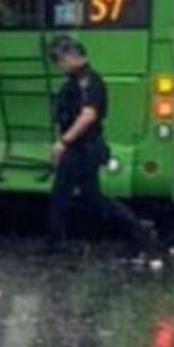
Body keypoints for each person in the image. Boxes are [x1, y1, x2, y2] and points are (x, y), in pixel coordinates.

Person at [46, 36, 156, 258]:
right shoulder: (77, 80)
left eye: (61, 60)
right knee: (92, 198)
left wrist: (64, 142)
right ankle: (137, 228)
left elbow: (88, 115)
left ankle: (55, 243)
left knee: (60, 195)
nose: (60, 65)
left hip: (82, 148)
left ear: (73, 56)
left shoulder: (88, 81)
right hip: (84, 147)